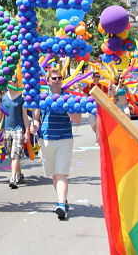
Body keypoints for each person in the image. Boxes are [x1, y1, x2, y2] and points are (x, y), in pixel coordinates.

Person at [32, 66, 82, 220]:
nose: (57, 81)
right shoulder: (41, 97)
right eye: (54, 78)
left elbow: (78, 119)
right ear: (47, 81)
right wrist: (34, 126)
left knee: (61, 174)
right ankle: (63, 199)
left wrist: (67, 108)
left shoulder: (68, 97)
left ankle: (60, 204)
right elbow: (36, 118)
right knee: (54, 174)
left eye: (60, 78)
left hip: (64, 138)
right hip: (46, 139)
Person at [0, 78, 30, 189]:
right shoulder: (3, 98)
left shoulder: (21, 98)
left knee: (15, 154)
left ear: (16, 83)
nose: (10, 84)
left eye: (12, 81)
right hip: (6, 129)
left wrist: (27, 131)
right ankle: (19, 174)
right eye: (8, 82)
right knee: (12, 154)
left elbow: (25, 116)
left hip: (18, 129)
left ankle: (13, 178)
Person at [83, 72, 108, 145]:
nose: (97, 78)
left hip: (100, 107)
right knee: (92, 123)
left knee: (97, 124)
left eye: (98, 76)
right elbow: (84, 94)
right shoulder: (89, 86)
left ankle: (97, 141)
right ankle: (99, 135)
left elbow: (108, 94)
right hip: (91, 107)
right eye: (96, 76)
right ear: (93, 77)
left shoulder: (102, 86)